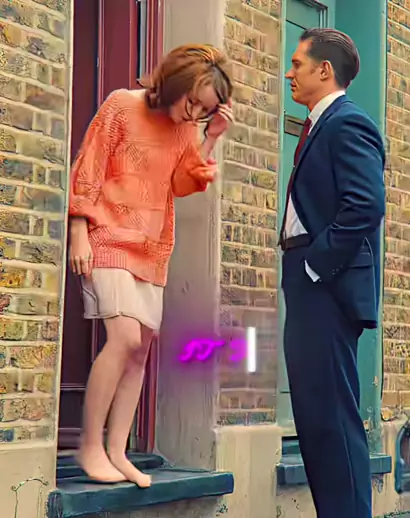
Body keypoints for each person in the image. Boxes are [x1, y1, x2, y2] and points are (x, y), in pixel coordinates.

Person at [68, 44, 233, 488]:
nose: (193, 113)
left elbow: (180, 183)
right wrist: (78, 229)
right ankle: (89, 446)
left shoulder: (185, 130)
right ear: (176, 82)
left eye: (204, 109)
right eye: (192, 101)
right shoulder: (122, 105)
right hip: (107, 237)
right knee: (123, 338)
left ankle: (117, 451)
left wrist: (211, 137)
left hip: (151, 247)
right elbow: (88, 166)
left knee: (140, 349)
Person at [279, 29, 385, 518]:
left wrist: (315, 265)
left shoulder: (346, 123)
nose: (289, 73)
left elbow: (365, 204)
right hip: (309, 281)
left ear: (324, 70)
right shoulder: (321, 124)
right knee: (316, 418)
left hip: (326, 283)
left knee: (332, 419)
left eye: (297, 64)